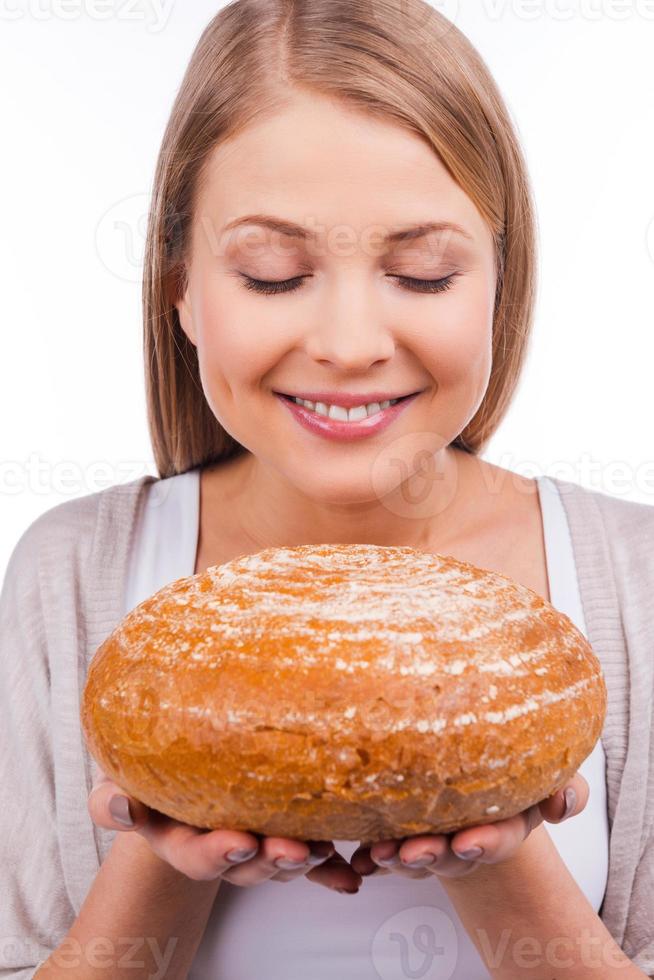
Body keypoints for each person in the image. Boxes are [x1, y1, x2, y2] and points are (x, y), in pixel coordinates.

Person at [1, 1, 653, 977]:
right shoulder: (73, 570)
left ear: (501, 285)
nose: (350, 344)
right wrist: (167, 840)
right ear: (178, 283)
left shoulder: (630, 578)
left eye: (424, 272)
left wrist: (489, 846)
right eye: (272, 273)